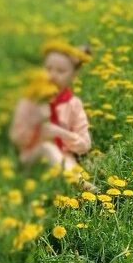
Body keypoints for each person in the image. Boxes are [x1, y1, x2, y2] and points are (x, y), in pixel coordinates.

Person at [9, 40, 95, 191]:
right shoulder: (31, 100)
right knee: (48, 148)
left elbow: (84, 145)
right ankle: (79, 185)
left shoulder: (73, 104)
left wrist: (61, 133)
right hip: (32, 157)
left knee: (67, 165)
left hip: (66, 161)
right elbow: (16, 138)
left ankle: (78, 188)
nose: (53, 75)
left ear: (74, 75)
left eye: (61, 71)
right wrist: (35, 122)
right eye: (48, 69)